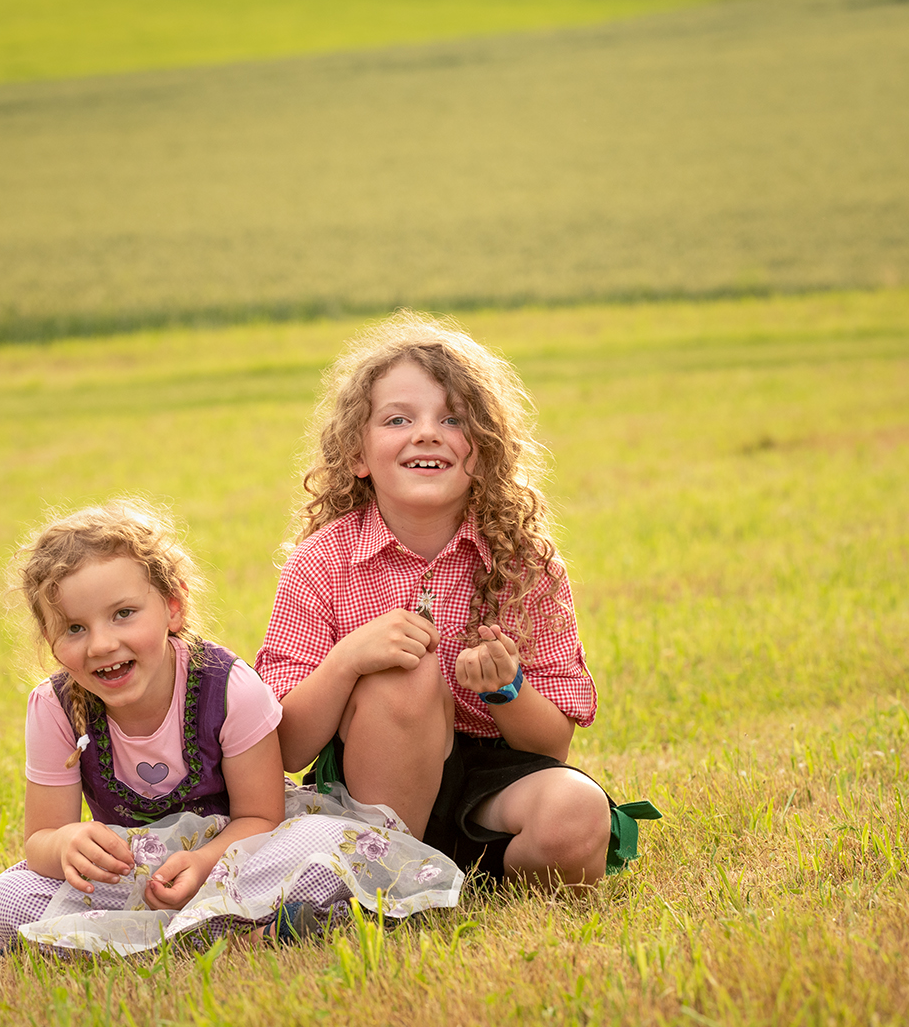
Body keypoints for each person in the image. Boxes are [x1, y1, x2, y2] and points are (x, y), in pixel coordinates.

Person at [256, 311, 651, 889]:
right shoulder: (323, 562)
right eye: (397, 419)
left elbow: (551, 746)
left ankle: (476, 876)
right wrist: (348, 660)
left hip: (493, 780)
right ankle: (384, 883)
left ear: (485, 451)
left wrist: (504, 688)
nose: (426, 433)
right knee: (404, 674)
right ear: (357, 456)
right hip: (372, 794)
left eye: (453, 419)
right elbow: (285, 747)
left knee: (577, 812)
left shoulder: (521, 565)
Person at [0, 499, 462, 956]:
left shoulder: (229, 687)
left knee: (325, 843)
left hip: (240, 856)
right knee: (12, 894)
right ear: (50, 638)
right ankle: (234, 932)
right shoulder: (55, 707)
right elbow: (41, 839)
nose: (102, 644)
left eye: (123, 614)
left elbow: (261, 818)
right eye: (74, 629)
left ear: (173, 607)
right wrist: (67, 844)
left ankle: (103, 941)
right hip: (138, 872)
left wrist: (204, 862)